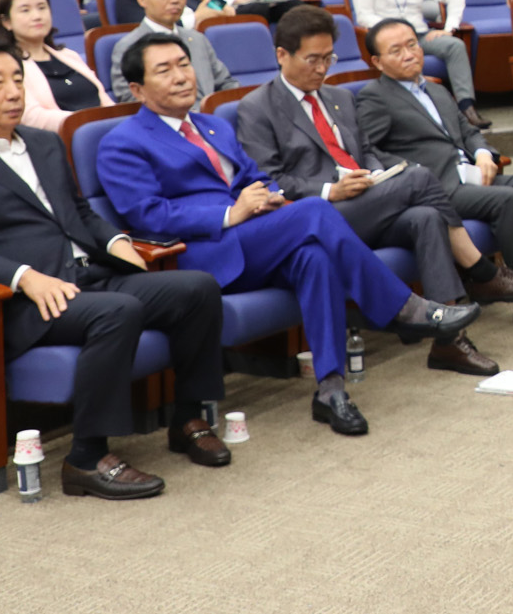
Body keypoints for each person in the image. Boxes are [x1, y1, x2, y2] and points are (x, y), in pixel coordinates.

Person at [99, 32, 479, 435]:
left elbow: (258, 177)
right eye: (165, 70)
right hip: (204, 254)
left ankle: (331, 390)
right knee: (315, 210)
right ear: (137, 89)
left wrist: (272, 198)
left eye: (184, 64)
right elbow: (148, 214)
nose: (180, 76)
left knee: (313, 257)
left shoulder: (212, 127)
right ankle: (402, 308)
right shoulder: (122, 143)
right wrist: (231, 212)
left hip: (255, 237)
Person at [0, 39, 231, 499]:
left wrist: (116, 241)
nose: (14, 91)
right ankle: (87, 457)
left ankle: (188, 418)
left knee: (196, 288)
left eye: (18, 79)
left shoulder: (43, 142)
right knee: (116, 311)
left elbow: (77, 212)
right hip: (26, 301)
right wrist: (23, 276)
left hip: (88, 276)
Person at [236, 6, 513, 376]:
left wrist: (382, 173)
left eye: (328, 58)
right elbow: (269, 179)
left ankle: (450, 342)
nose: (322, 69)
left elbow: (367, 152)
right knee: (421, 178)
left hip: (369, 199)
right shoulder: (258, 108)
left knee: (426, 214)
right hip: (321, 217)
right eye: (313, 60)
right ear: (282, 55)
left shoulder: (339, 98)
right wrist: (329, 190)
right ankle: (481, 272)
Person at [355, 18, 513, 331]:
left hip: (472, 177)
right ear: (377, 61)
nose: (409, 54)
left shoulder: (435, 88)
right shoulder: (375, 97)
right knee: (507, 199)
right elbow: (368, 150)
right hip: (439, 186)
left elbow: (467, 130)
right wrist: (414, 173)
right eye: (396, 50)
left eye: (412, 44)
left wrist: (482, 153)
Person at [351, 0, 490, 126]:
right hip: (387, 39)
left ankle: (466, 108)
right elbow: (363, 16)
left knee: (455, 45)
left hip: (420, 36)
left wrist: (448, 29)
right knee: (403, 49)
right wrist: (394, 29)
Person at [110, 0, 236, 104]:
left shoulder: (197, 38)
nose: (175, 0)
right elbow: (130, 100)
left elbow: (226, 83)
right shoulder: (129, 46)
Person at [0, 0, 113, 132]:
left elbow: (102, 97)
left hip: (101, 130)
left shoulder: (70, 56)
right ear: (7, 22)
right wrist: (85, 123)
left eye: (42, 8)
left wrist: (114, 120)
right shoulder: (8, 65)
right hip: (60, 139)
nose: (37, 16)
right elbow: (31, 117)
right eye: (25, 10)